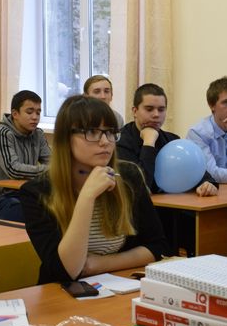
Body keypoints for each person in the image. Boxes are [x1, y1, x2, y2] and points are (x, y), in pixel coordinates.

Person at [20, 95, 168, 284]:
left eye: (110, 132)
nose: (105, 141)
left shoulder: (129, 176)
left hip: (120, 285)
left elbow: (158, 246)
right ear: (66, 138)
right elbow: (66, 271)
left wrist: (98, 264)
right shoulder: (37, 192)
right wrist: (87, 197)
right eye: (91, 132)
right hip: (62, 293)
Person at [116, 83, 218, 196]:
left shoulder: (172, 140)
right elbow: (141, 186)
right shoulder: (120, 142)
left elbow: (199, 172)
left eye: (161, 109)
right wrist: (148, 144)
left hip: (172, 204)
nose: (156, 115)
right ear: (135, 111)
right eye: (149, 109)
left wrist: (207, 184)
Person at [0, 90, 50, 222]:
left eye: (38, 112)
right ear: (15, 114)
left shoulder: (38, 134)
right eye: (29, 112)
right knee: (40, 217)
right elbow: (14, 169)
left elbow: (52, 161)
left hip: (26, 193)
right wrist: (49, 170)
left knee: (60, 208)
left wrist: (54, 169)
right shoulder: (2, 134)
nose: (35, 117)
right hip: (1, 199)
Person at [186, 76, 227, 183]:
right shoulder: (198, 133)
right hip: (209, 192)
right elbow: (212, 174)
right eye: (226, 102)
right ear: (212, 106)